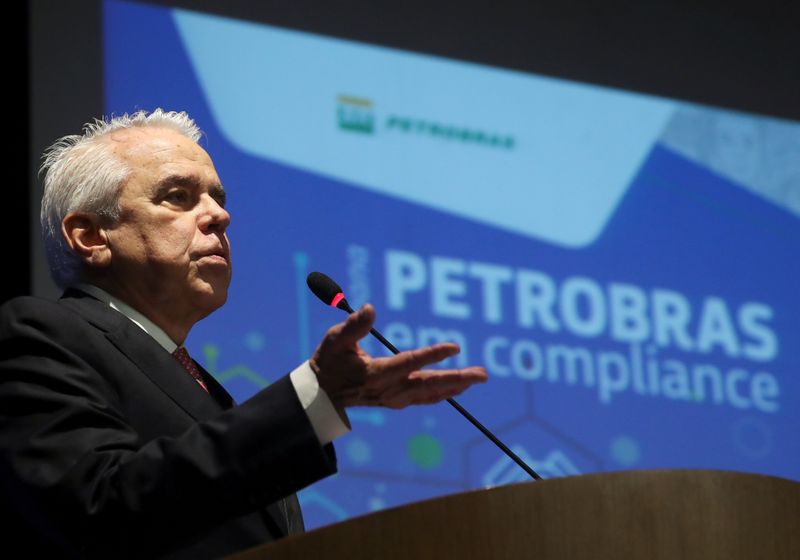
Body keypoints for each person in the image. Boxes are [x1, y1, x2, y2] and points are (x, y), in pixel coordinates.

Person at [0, 109, 487, 559]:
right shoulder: (38, 335)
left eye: (217, 198)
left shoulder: (206, 389)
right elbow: (101, 508)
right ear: (90, 236)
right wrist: (314, 398)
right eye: (178, 196)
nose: (220, 215)